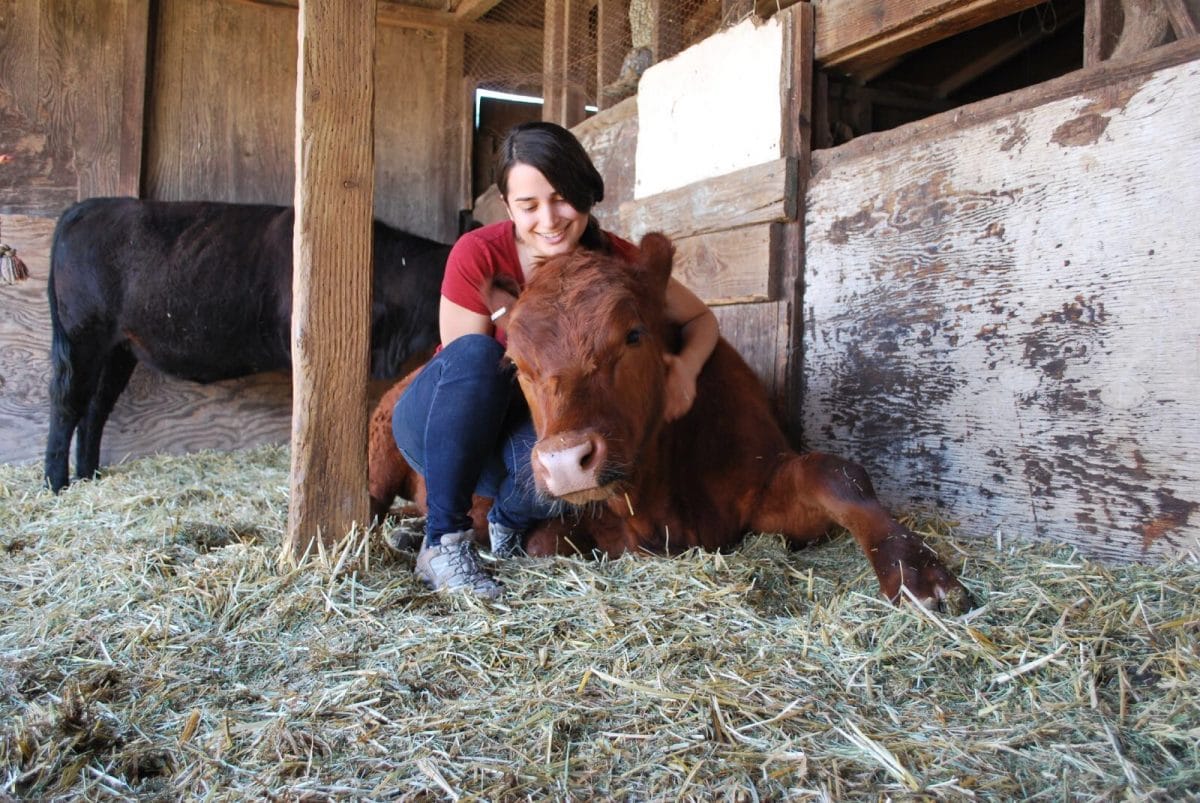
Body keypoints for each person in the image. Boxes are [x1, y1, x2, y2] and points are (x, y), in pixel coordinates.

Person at [391, 121, 719, 598]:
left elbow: (701, 319)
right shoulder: (479, 254)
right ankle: (443, 541)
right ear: (507, 207)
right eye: (528, 205)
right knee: (482, 354)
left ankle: (507, 523)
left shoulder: (615, 265)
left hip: (534, 433)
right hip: (450, 428)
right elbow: (466, 373)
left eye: (562, 197)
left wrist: (684, 368)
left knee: (576, 448)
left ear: (587, 193)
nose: (549, 219)